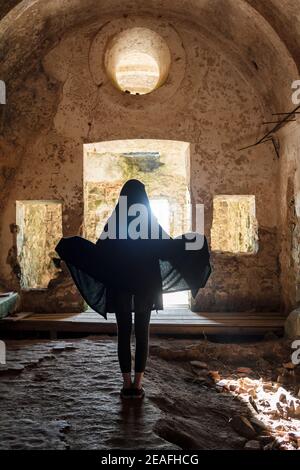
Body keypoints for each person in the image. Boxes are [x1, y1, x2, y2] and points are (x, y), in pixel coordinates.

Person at [55, 179, 211, 400]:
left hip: (120, 285)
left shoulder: (115, 222)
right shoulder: (149, 222)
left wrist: (73, 247)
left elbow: (99, 254)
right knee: (142, 333)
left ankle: (125, 384)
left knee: (123, 333)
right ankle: (138, 386)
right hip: (146, 285)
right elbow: (167, 247)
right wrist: (194, 243)